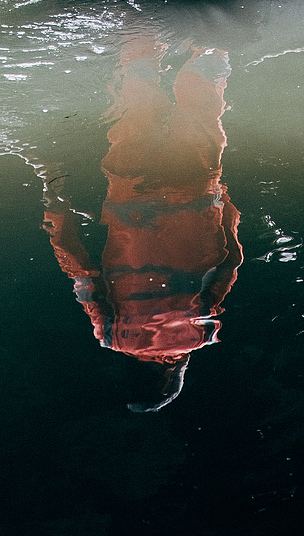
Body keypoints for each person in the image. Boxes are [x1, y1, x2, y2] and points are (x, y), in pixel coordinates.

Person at [41, 35, 242, 413]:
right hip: (130, 191)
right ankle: (141, 27)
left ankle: (211, 35)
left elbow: (230, 261)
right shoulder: (111, 335)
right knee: (138, 85)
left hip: (193, 191)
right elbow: (78, 267)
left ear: (171, 375)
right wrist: (55, 209)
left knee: (203, 90)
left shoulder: (205, 332)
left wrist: (223, 200)